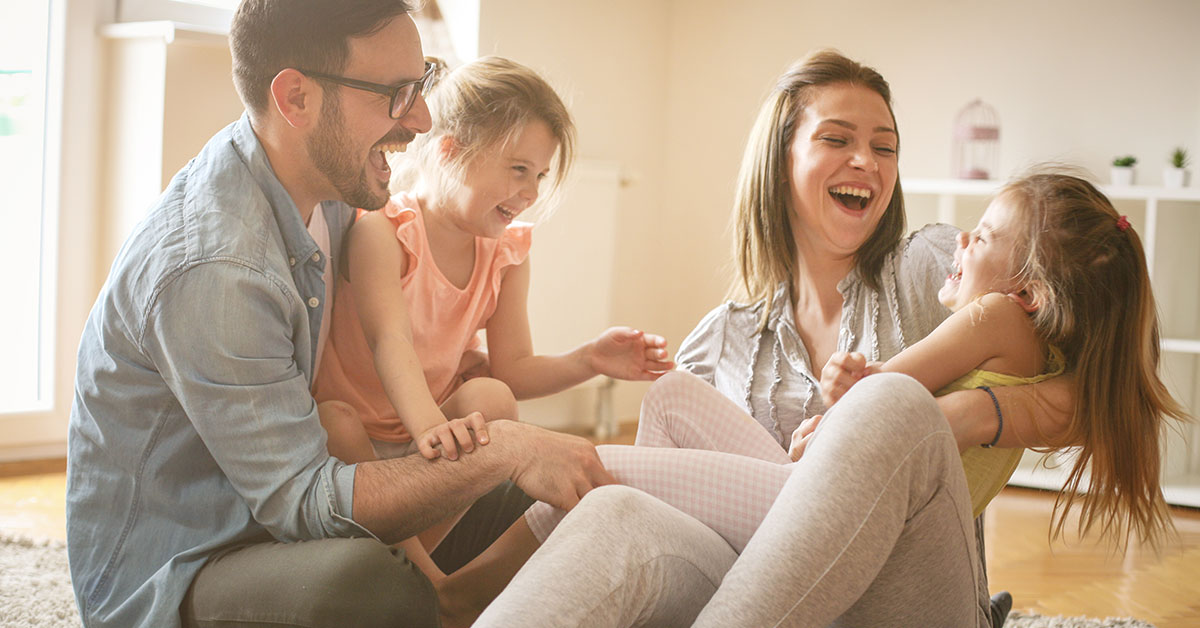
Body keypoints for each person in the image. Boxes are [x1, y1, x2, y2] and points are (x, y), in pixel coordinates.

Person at [471, 50, 1088, 627]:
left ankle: (522, 484)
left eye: (885, 147)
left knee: (890, 404)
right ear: (780, 158)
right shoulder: (722, 337)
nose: (867, 163)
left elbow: (1093, 387)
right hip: (765, 592)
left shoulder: (931, 266)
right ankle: (458, 603)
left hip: (908, 584)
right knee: (620, 500)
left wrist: (964, 414)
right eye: (836, 139)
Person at [65, 2, 613, 627]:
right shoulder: (217, 268)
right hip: (188, 567)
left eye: (424, 80)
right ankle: (437, 602)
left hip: (273, 520)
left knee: (536, 497)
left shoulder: (327, 189)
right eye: (396, 93)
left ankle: (444, 600)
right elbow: (302, 500)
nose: (423, 117)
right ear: (296, 98)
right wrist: (501, 450)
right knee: (369, 581)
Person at [313, 55, 672, 466]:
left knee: (492, 396)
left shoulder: (506, 255)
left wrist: (590, 359)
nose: (532, 193)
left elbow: (513, 370)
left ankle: (421, 531)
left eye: (539, 176)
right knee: (332, 420)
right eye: (520, 169)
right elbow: (389, 340)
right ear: (450, 153)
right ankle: (399, 530)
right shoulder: (384, 232)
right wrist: (430, 426)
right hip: (357, 431)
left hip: (432, 431)